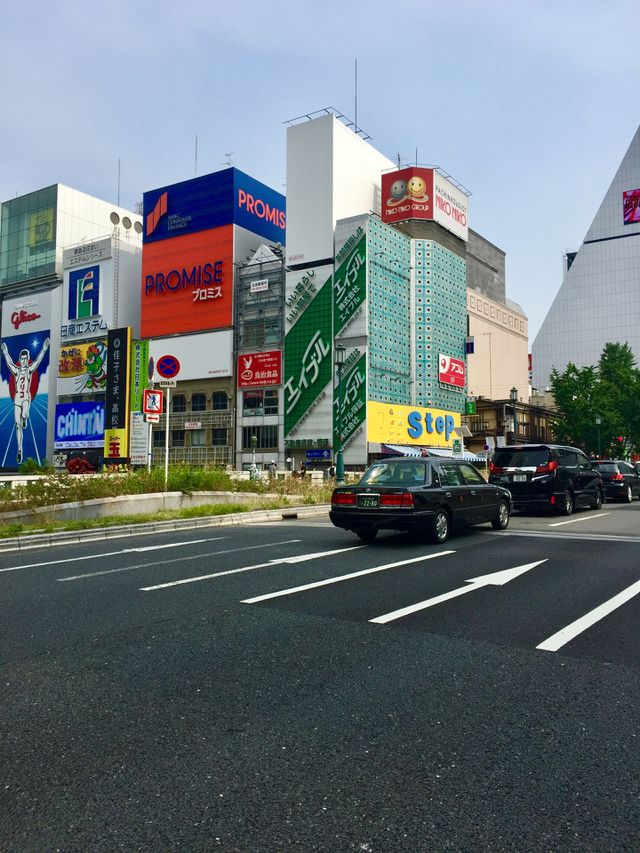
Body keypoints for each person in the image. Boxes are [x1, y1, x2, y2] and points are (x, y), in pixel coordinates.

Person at [1, 337, 50, 464]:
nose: (23, 361)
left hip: (26, 398)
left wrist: (44, 348)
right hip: (17, 399)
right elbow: (9, 363)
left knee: (24, 414)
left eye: (25, 359)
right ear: (20, 359)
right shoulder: (17, 371)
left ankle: (25, 418)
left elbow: (38, 361)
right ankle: (20, 449)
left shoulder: (29, 370)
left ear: (27, 359)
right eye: (21, 359)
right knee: (17, 425)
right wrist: (5, 352)